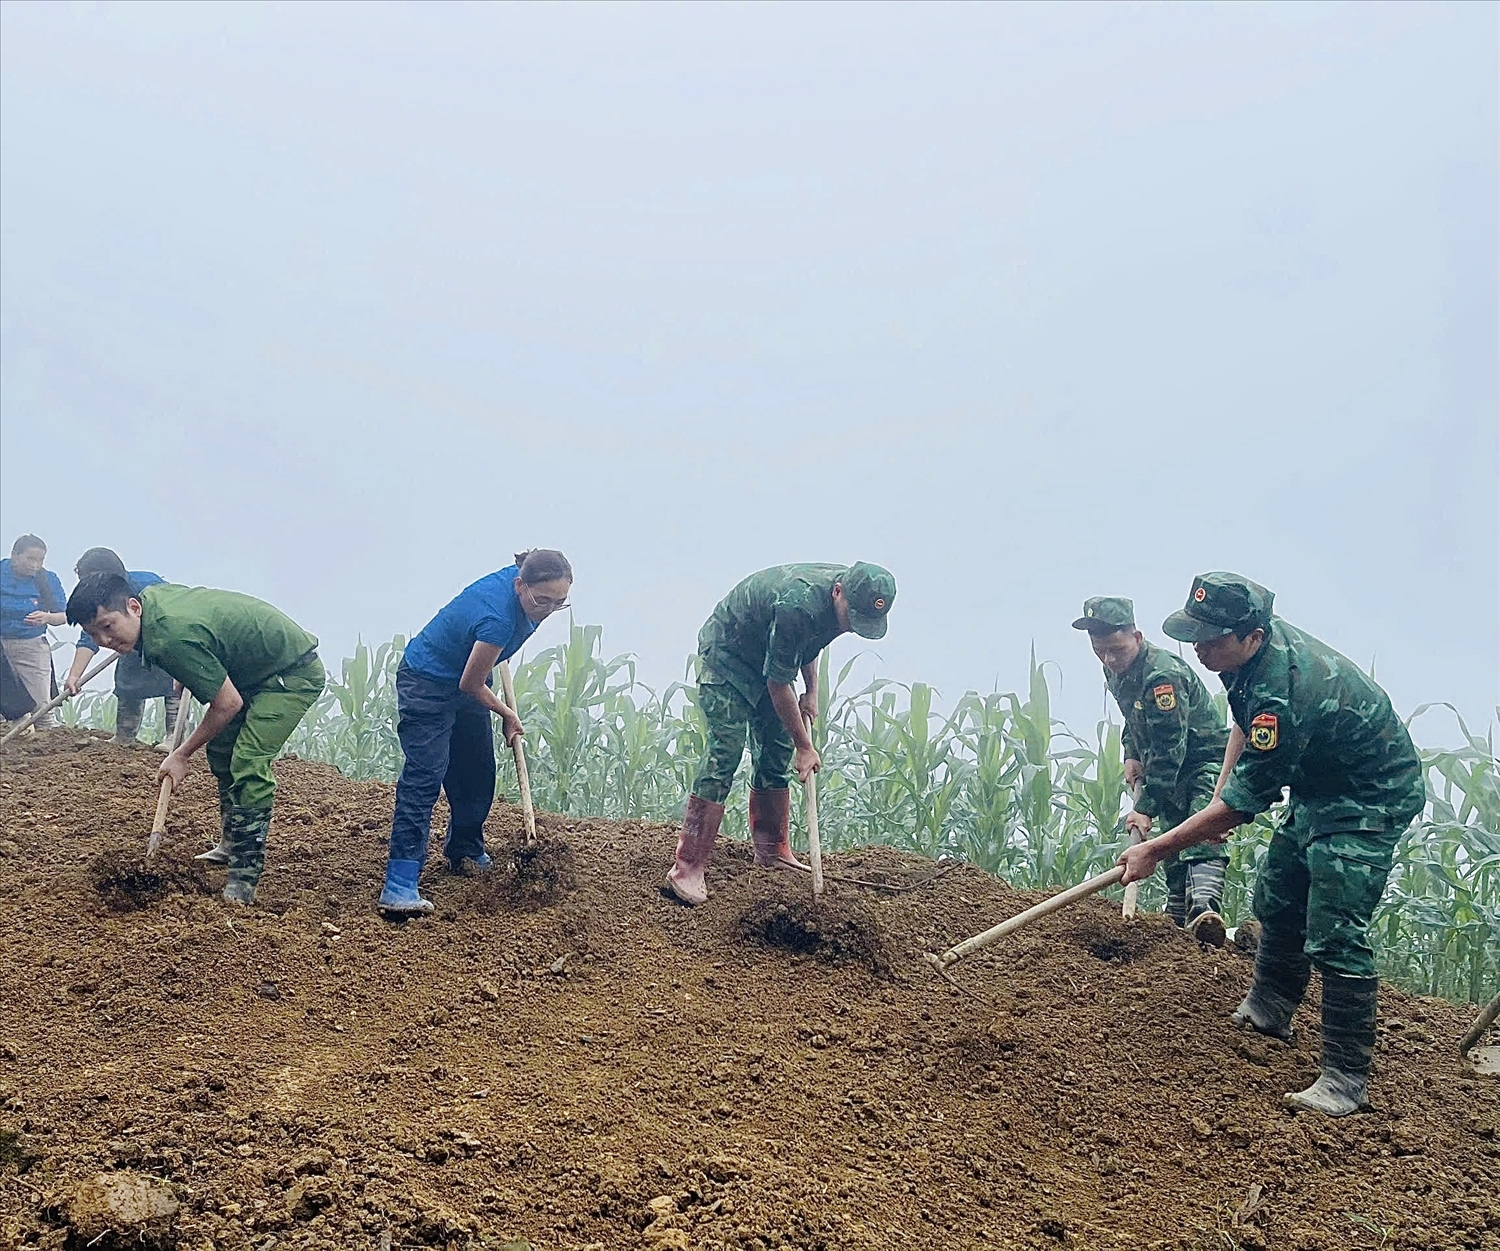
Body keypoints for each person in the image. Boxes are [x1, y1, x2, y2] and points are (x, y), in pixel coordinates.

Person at [1117, 573, 1424, 1117]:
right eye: (1195, 635)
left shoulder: (1284, 686)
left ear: (1252, 635)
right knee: (1279, 895)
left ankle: (1345, 1079)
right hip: (1317, 786)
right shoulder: (1245, 662)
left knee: (1333, 927)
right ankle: (1270, 1006)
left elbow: (1249, 786)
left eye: (1211, 639)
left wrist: (1158, 848)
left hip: (1367, 797)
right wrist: (1220, 796)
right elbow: (1243, 724)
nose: (1199, 648)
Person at [66, 573, 325, 905]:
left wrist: (182, 754)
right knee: (220, 751)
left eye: (108, 626)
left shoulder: (173, 637)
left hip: (289, 674)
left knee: (248, 760)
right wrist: (187, 669)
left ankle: (245, 874)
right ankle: (231, 844)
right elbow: (203, 637)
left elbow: (228, 703)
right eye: (93, 634)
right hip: (251, 670)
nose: (104, 640)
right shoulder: (153, 602)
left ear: (133, 607)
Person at [667, 561, 897, 906]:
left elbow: (809, 643)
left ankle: (772, 851)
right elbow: (778, 681)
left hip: (771, 657)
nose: (851, 627)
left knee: (774, 752)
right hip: (729, 657)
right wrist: (805, 747)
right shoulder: (798, 603)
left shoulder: (847, 598)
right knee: (725, 753)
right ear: (838, 592)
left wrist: (811, 691)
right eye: (852, 619)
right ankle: (687, 866)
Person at [378, 549, 574, 916]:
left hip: (465, 677)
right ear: (519, 585)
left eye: (559, 603)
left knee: (477, 771)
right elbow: (471, 683)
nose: (547, 609)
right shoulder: (497, 618)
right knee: (425, 776)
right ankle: (399, 882)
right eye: (541, 600)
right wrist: (507, 713)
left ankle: (465, 849)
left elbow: (526, 559)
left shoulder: (527, 582)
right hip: (428, 683)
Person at [1072, 596, 1232, 945]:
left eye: (1116, 649)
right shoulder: (1115, 670)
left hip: (1203, 762)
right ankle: (1176, 920)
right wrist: (1131, 752)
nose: (1109, 659)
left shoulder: (1164, 677)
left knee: (1200, 830)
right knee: (1170, 839)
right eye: (1100, 652)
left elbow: (1169, 749)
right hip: (1167, 769)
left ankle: (1204, 912)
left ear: (1137, 638)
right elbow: (1134, 718)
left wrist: (1143, 808)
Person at [64, 548, 180, 745]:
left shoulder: (148, 584)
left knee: (174, 684)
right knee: (128, 683)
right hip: (128, 650)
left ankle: (174, 737)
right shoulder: (94, 602)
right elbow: (89, 636)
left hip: (165, 644)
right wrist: (75, 675)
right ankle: (124, 737)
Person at [0, 535, 67, 728]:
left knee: (41, 707)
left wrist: (47, 618)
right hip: (1, 645)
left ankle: (48, 750)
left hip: (30, 645)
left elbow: (64, 616)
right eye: (30, 559)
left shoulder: (47, 580)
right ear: (14, 555)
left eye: (40, 560)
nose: (35, 565)